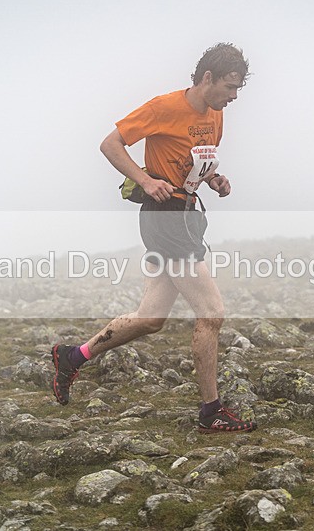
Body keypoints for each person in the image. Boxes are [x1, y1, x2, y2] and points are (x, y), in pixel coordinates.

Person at [52, 43, 256, 434]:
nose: (233, 97)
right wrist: (146, 179)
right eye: (230, 87)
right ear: (207, 78)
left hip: (186, 214)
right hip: (165, 219)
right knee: (211, 312)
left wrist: (213, 179)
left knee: (150, 319)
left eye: (238, 90)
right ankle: (211, 410)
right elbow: (110, 143)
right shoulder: (164, 107)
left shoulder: (215, 114)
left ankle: (72, 356)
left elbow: (194, 161)